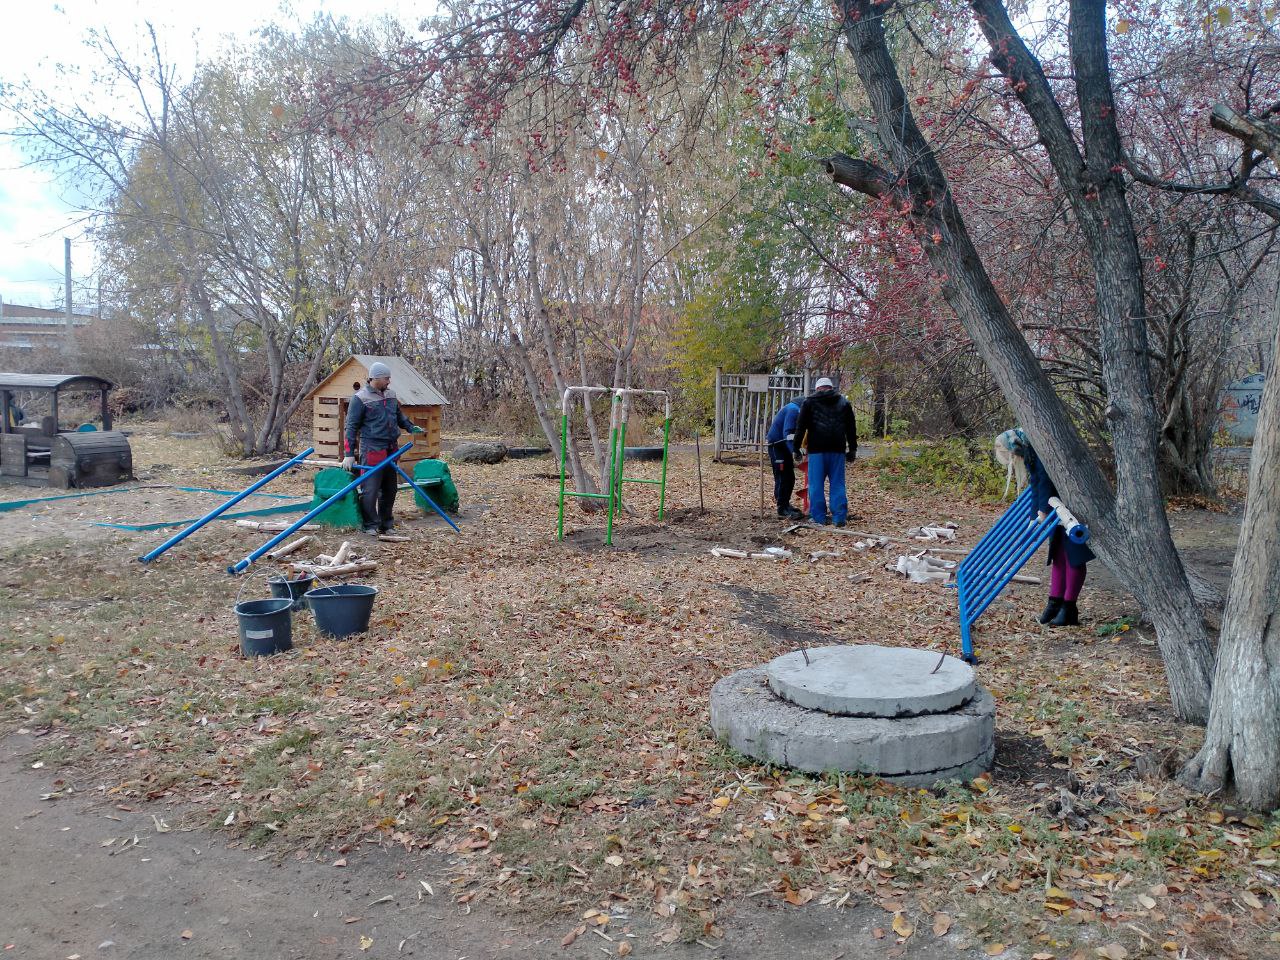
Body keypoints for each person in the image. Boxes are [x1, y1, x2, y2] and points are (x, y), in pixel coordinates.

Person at [997, 428, 1094, 627]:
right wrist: (1033, 517)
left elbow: (1045, 479)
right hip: (1056, 506)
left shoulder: (1039, 447)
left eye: (1012, 454)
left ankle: (1069, 607)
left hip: (1072, 503)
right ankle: (1055, 602)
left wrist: (1042, 511)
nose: (1014, 458)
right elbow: (1035, 483)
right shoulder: (1030, 450)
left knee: (1074, 555)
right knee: (1058, 554)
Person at [342, 361, 423, 535]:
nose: (389, 381)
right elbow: (351, 427)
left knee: (390, 489)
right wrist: (349, 454)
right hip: (372, 447)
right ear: (376, 378)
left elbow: (399, 416)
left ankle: (386, 524)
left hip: (391, 448)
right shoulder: (360, 398)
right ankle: (370, 524)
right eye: (386, 378)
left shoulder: (391, 395)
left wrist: (410, 427)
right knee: (370, 489)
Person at [792, 377, 858, 527]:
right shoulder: (844, 402)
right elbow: (851, 428)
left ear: (817, 389)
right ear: (831, 388)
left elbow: (800, 427)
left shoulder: (809, 402)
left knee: (815, 485)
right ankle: (839, 518)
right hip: (837, 450)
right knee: (838, 484)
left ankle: (818, 518)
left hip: (817, 450)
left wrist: (796, 448)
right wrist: (853, 448)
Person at [766, 397, 805, 519]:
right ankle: (782, 508)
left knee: (790, 477)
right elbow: (788, 434)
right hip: (777, 447)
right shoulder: (793, 410)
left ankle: (785, 504)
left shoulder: (796, 410)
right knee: (783, 476)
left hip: (784, 447)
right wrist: (794, 451)